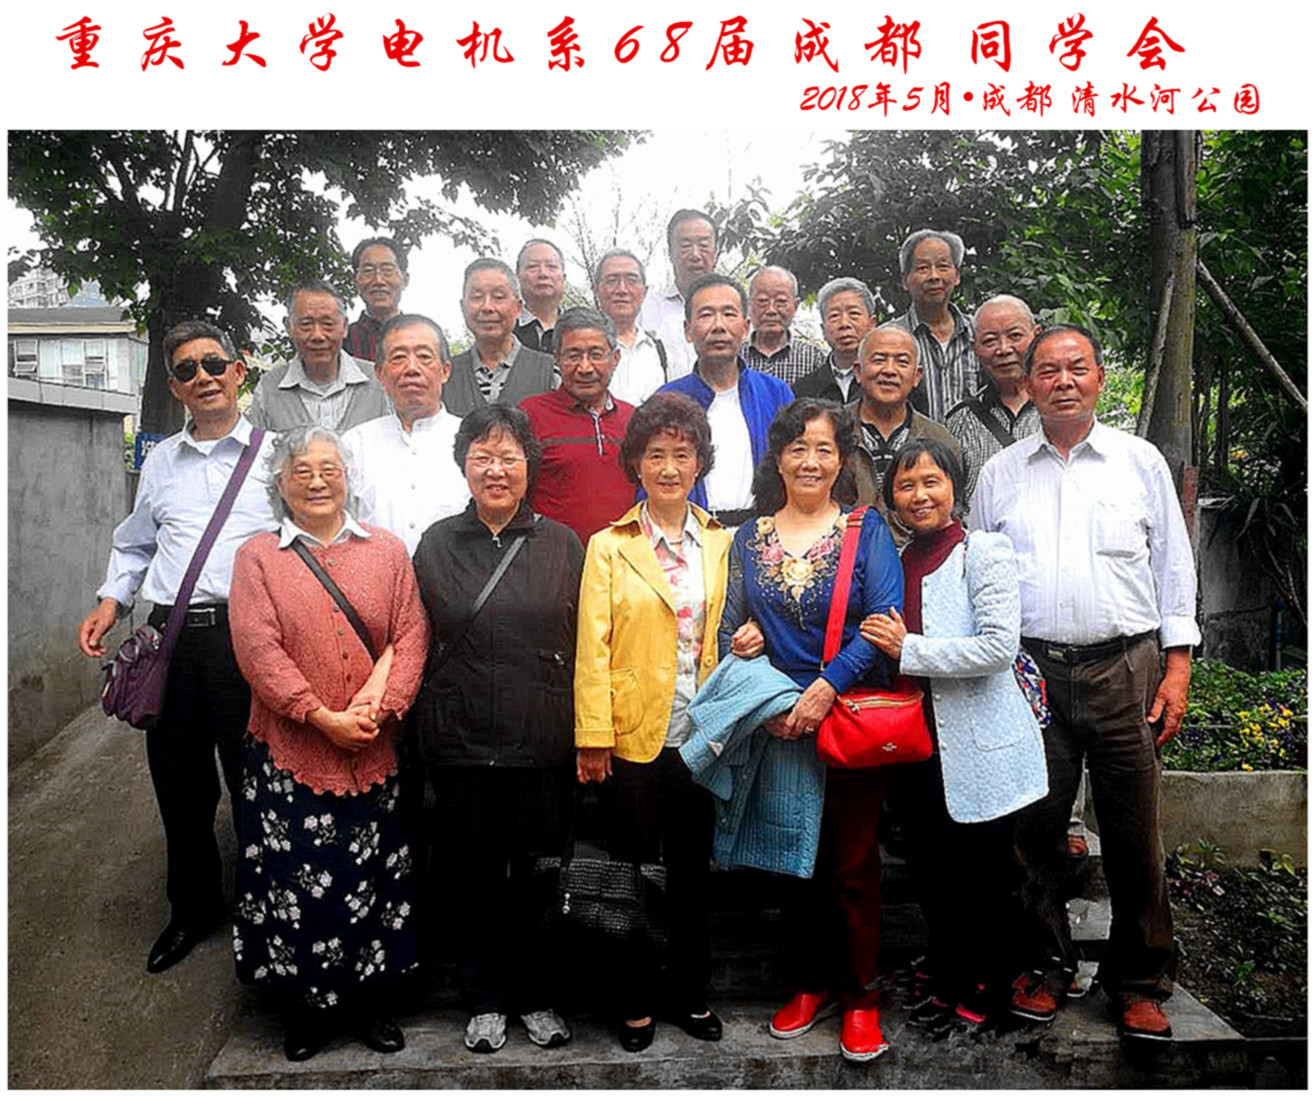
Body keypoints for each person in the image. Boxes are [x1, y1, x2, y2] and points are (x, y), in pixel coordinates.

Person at [970, 323, 1200, 1041]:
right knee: (1032, 830)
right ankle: (1044, 965)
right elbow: (980, 577)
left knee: (1133, 832)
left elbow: (1173, 567)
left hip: (1126, 666)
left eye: (1076, 368)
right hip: (1029, 672)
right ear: (1028, 383)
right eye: (1047, 370)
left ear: (1099, 377)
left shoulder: (1138, 462)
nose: (1062, 381)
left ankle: (1138, 981)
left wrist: (1177, 665)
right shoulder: (999, 474)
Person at [77, 319, 278, 974]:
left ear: (238, 371)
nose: (204, 377)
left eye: (214, 363)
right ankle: (191, 910)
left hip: (248, 638)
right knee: (181, 786)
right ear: (174, 386)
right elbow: (135, 543)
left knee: (255, 782)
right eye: (188, 370)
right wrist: (111, 602)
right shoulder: (161, 461)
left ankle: (266, 907)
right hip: (171, 640)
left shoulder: (277, 456)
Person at [228, 426, 430, 1061]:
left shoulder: (387, 551)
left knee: (375, 878)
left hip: (374, 747)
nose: (317, 481)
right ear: (280, 485)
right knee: (295, 885)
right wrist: (320, 717)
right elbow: (258, 651)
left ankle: (372, 1003)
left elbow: (411, 633)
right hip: (292, 754)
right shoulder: (258, 557)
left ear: (348, 477)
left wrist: (380, 710)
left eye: (329, 469)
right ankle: (307, 1010)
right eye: (302, 472)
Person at [718, 399, 903, 1063]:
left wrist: (826, 689)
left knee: (852, 864)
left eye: (824, 449)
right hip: (780, 723)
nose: (810, 461)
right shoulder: (750, 537)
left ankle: (860, 996)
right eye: (797, 448)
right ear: (777, 458)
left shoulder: (865, 529)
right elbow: (728, 626)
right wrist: (757, 676)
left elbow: (882, 624)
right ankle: (807, 982)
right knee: (792, 858)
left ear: (842, 459)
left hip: (847, 718)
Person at [411, 404, 584, 1054]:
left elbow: (584, 642)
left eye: (509, 456)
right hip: (460, 741)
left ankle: (536, 994)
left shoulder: (562, 544)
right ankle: (483, 998)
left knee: (540, 874)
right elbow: (416, 639)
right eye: (482, 456)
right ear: (463, 465)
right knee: (472, 877)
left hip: (540, 738)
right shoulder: (435, 544)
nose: (496, 469)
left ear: (528, 465)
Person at [860, 438, 1048, 1029]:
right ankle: (948, 968)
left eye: (931, 482)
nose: (919, 496)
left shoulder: (982, 551)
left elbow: (998, 647)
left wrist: (909, 649)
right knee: (931, 870)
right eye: (906, 485)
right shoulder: (895, 559)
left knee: (982, 872)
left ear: (954, 489)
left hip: (978, 742)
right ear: (891, 496)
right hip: (914, 742)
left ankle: (985, 982)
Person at [575, 393, 732, 1052]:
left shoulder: (722, 542)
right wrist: (592, 736)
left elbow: (734, 627)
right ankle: (634, 998)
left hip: (702, 736)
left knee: (693, 872)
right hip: (632, 736)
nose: (669, 467)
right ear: (636, 463)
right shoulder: (609, 547)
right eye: (656, 454)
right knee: (632, 871)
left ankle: (690, 992)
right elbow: (592, 644)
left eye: (682, 454)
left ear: (699, 462)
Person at [658, 273, 794, 527]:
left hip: (763, 533)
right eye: (706, 314)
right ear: (688, 330)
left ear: (745, 327)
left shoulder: (776, 394)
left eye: (729, 314)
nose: (718, 326)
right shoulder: (666, 402)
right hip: (690, 534)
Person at [339, 313, 470, 556]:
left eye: (424, 357)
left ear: (445, 371)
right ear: (380, 373)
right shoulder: (354, 444)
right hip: (376, 577)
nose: (411, 368)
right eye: (398, 357)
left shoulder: (473, 441)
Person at [520, 306, 637, 547]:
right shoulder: (531, 415)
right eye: (573, 355)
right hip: (554, 560)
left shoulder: (634, 420)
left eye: (596, 354)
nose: (585, 367)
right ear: (557, 358)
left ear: (615, 358)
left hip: (623, 561)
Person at [845, 326, 961, 545]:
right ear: (858, 371)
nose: (889, 370)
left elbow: (951, 515)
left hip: (919, 558)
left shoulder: (940, 440)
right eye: (879, 360)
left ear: (917, 376)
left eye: (902, 362)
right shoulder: (832, 432)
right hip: (845, 556)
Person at [248, 280, 388, 432]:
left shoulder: (381, 383)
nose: (317, 335)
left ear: (344, 326)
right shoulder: (268, 389)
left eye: (327, 324)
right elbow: (256, 447)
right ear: (289, 327)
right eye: (306, 324)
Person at [945, 294, 1042, 502]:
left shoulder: (1060, 413)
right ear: (975, 348)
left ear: (1036, 337)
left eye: (1015, 336)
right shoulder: (959, 421)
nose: (1004, 349)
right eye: (990, 341)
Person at [445, 258, 556, 416]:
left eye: (498, 297)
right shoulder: (444, 376)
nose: (487, 307)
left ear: (518, 308)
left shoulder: (550, 371)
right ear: (462, 307)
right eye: (477, 297)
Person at [886, 229, 976, 422]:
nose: (934, 276)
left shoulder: (979, 334)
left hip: (975, 442)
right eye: (923, 268)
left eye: (943, 266)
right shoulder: (887, 339)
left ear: (957, 275)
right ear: (905, 279)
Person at [638, 209, 720, 380]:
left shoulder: (737, 311)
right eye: (686, 246)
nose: (695, 255)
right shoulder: (645, 310)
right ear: (670, 252)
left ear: (715, 252)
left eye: (703, 245)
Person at [592, 248, 668, 404]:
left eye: (631, 281)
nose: (622, 289)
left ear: (645, 291)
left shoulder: (659, 350)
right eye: (612, 280)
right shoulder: (581, 347)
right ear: (596, 290)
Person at [791, 276, 873, 404]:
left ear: (872, 324)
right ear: (823, 330)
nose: (844, 323)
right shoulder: (803, 390)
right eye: (834, 316)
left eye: (854, 314)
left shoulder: (886, 380)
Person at [741, 265, 827, 385]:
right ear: (749, 305)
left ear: (795, 306)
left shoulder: (813, 358)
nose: (771, 310)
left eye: (781, 301)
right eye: (762, 301)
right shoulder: (734, 357)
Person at [345, 236, 409, 364]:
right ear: (355, 282)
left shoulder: (425, 337)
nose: (378, 280)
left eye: (387, 270)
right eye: (368, 271)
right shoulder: (342, 340)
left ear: (405, 280)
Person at [513, 238, 567, 353]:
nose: (543, 274)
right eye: (533, 267)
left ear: (564, 277)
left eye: (551, 267)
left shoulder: (580, 328)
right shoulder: (503, 330)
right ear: (518, 277)